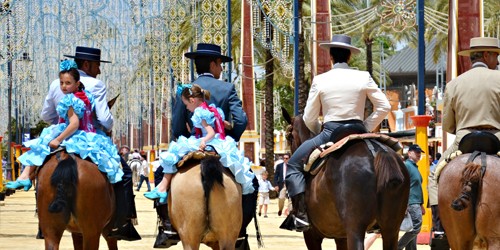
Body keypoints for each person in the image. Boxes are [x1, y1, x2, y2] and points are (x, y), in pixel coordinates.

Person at [8, 47, 140, 241]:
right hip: (89, 136)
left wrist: (60, 124)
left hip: (61, 133)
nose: (99, 70)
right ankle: (120, 222)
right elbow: (106, 120)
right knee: (123, 173)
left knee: (41, 159)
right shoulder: (96, 85)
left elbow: (46, 115)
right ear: (86, 64)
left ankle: (43, 219)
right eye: (97, 65)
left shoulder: (56, 84)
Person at [283, 34, 391, 232]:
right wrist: (366, 126)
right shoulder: (363, 76)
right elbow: (384, 106)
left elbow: (309, 117)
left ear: (331, 57)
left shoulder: (321, 80)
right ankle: (398, 212)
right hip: (359, 130)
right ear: (349, 56)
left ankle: (300, 215)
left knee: (293, 167)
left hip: (330, 133)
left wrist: (318, 135)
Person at [155, 43, 257, 249]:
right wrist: (229, 136)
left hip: (193, 143)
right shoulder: (228, 88)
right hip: (221, 144)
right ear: (212, 64)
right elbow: (241, 119)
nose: (221, 69)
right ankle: (240, 231)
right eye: (220, 64)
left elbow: (176, 125)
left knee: (160, 174)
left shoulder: (185, 91)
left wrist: (187, 142)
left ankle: (167, 227)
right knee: (250, 182)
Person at [144, 84, 255, 203]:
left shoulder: (199, 113)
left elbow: (210, 132)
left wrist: (203, 141)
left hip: (206, 139)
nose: (186, 108)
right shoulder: (213, 109)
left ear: (192, 100)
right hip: (220, 141)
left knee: (174, 152)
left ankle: (163, 187)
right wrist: (226, 125)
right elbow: (221, 124)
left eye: (186, 105)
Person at [440, 37, 500, 165]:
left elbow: (448, 125)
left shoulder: (453, 84)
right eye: (496, 56)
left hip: (464, 142)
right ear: (486, 55)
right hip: (497, 139)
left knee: (435, 175)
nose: (498, 62)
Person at [398, 144, 425, 250]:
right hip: (411, 202)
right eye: (416, 152)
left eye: (420, 152)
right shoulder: (407, 166)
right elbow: (402, 186)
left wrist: (421, 204)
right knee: (416, 227)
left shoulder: (415, 167)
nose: (419, 154)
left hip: (416, 202)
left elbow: (417, 187)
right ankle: (397, 247)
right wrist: (404, 204)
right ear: (409, 153)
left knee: (412, 229)